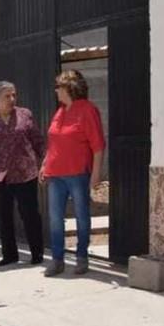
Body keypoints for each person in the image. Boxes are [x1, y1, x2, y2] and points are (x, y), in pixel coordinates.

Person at [41, 69, 105, 276]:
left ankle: (81, 257)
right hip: (55, 174)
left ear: (69, 88)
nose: (55, 90)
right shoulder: (60, 111)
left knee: (82, 217)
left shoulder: (87, 110)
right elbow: (53, 143)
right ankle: (57, 260)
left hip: (78, 173)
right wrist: (44, 165)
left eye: (58, 87)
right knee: (55, 218)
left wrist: (95, 174)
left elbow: (98, 146)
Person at [0, 80, 46, 266]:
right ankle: (10, 255)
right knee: (4, 217)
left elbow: (38, 141)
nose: (12, 99)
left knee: (30, 214)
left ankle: (37, 253)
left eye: (13, 95)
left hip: (25, 174)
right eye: (7, 96)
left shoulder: (25, 115)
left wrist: (45, 163)